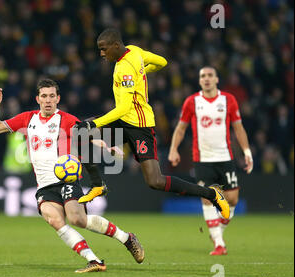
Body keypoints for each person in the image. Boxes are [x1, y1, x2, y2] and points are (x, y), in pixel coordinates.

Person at [0, 78, 144, 273]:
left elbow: (89, 134)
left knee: (77, 219)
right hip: (44, 185)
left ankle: (126, 238)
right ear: (37, 98)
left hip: (66, 179)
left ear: (58, 98)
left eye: (51, 96)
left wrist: (107, 146)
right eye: (44, 96)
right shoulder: (27, 119)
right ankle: (94, 260)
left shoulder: (67, 119)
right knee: (54, 220)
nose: (48, 100)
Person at [74, 28, 230, 220]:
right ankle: (98, 185)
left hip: (140, 127)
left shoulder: (124, 69)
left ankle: (212, 194)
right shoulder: (134, 51)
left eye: (104, 49)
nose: (102, 54)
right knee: (78, 131)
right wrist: (143, 72)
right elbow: (162, 62)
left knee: (155, 181)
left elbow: (123, 108)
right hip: (124, 122)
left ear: (116, 45)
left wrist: (94, 125)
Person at [168, 66, 253, 255]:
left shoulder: (228, 100)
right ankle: (219, 243)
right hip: (202, 159)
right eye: (203, 76)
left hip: (225, 157)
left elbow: (238, 128)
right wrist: (173, 149)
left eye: (209, 75)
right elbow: (181, 128)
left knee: (232, 200)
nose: (206, 79)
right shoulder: (192, 102)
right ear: (199, 81)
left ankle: (218, 231)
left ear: (216, 79)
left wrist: (247, 151)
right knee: (208, 198)